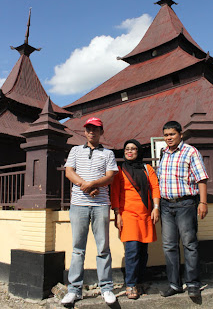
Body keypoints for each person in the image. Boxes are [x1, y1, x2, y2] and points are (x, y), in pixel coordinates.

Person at [61, 117, 118, 306]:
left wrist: (93, 184)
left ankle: (106, 287)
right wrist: (85, 185)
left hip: (101, 204)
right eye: (89, 129)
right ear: (85, 131)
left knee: (103, 247)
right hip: (78, 204)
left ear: (102, 132)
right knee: (78, 248)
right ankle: (74, 290)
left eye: (96, 129)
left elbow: (110, 176)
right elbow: (69, 172)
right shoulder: (75, 150)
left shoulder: (108, 153)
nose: (92, 132)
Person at [157, 121, 208, 298]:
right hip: (166, 205)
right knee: (169, 246)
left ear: (180, 134)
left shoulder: (190, 152)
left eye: (172, 134)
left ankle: (193, 283)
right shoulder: (164, 153)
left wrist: (203, 202)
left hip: (185, 204)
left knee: (189, 243)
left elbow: (201, 178)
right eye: (166, 135)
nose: (168, 138)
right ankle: (174, 284)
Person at [111, 139, 160, 299]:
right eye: (127, 149)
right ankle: (130, 284)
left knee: (143, 252)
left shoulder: (147, 169)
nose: (129, 151)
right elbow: (115, 193)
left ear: (138, 152)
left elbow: (155, 188)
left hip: (145, 214)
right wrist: (117, 215)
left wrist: (156, 207)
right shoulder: (119, 170)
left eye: (133, 149)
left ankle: (139, 281)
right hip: (128, 215)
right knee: (132, 250)